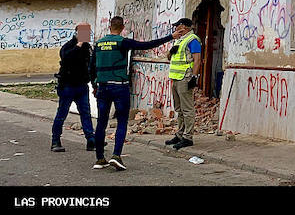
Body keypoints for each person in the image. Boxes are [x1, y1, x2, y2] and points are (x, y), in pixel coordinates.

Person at [90, 15, 174, 171]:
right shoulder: (123, 42)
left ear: (109, 26)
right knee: (122, 121)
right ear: (122, 28)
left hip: (102, 87)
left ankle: (100, 158)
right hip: (119, 87)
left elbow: (91, 67)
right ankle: (116, 156)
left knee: (101, 123)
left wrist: (94, 85)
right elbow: (147, 45)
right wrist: (170, 36)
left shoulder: (98, 44)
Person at [50, 23, 96, 152]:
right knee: (62, 113)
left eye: (88, 32)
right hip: (67, 86)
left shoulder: (88, 48)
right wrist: (79, 43)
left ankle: (91, 140)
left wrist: (93, 83)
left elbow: (90, 66)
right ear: (76, 33)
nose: (87, 35)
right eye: (84, 32)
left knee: (86, 113)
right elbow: (66, 58)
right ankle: (55, 140)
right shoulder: (69, 46)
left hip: (82, 86)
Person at [165, 18, 202, 151]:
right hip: (175, 77)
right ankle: (180, 134)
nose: (175, 28)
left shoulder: (193, 40)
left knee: (187, 109)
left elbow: (198, 60)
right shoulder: (178, 40)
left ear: (184, 27)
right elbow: (169, 57)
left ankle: (188, 137)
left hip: (185, 78)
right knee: (179, 109)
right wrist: (171, 51)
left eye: (177, 26)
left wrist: (194, 76)